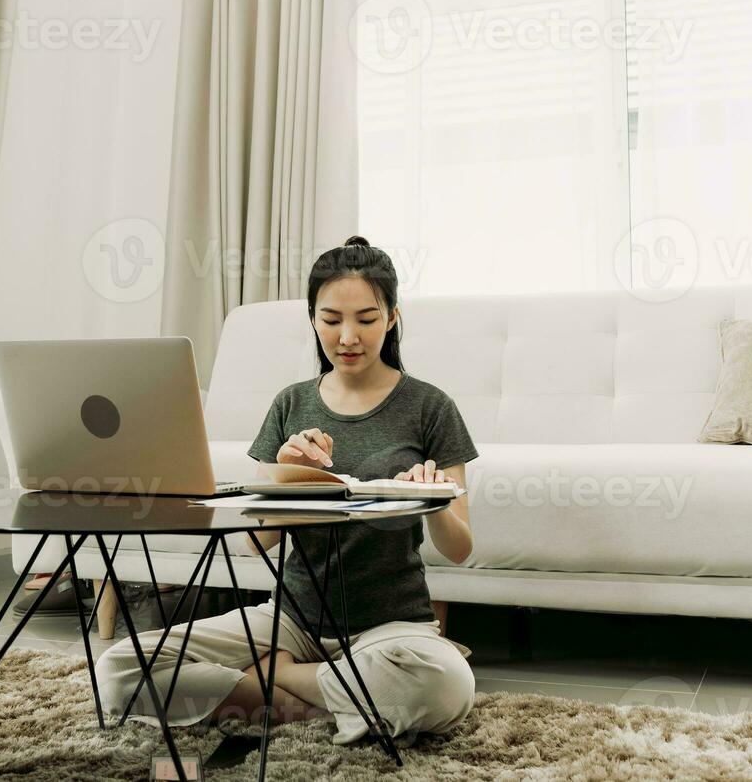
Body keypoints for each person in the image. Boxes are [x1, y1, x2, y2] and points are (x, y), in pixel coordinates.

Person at [95, 236, 478, 746]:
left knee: (446, 684)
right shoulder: (290, 405)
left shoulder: (430, 407)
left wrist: (433, 504)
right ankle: (336, 703)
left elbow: (459, 550)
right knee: (120, 667)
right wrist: (282, 474)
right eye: (330, 319)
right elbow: (256, 545)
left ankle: (284, 684)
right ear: (312, 318)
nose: (348, 336)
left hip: (390, 625)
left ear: (391, 318)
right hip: (292, 618)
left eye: (366, 319)